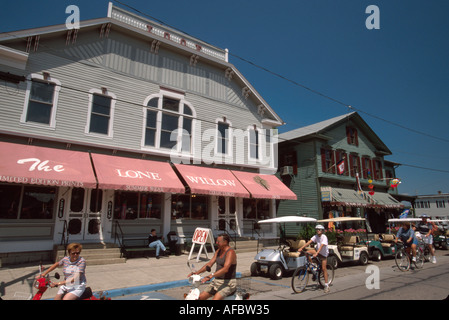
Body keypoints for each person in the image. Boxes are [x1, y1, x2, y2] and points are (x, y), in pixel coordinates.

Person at [187, 233, 237, 300]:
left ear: (225, 242)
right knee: (199, 298)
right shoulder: (218, 251)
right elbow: (209, 264)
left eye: (218, 241)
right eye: (216, 241)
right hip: (216, 281)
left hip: (228, 283)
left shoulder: (230, 252)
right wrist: (197, 273)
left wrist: (211, 275)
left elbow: (225, 269)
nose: (216, 243)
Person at [297, 224, 330, 293]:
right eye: (316, 229)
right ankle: (312, 266)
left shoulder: (324, 237)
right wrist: (301, 248)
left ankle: (326, 286)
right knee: (307, 252)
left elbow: (321, 246)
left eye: (319, 229)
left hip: (323, 254)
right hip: (317, 251)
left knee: (324, 269)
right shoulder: (316, 236)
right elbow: (309, 242)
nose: (317, 231)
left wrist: (317, 253)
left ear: (322, 230)